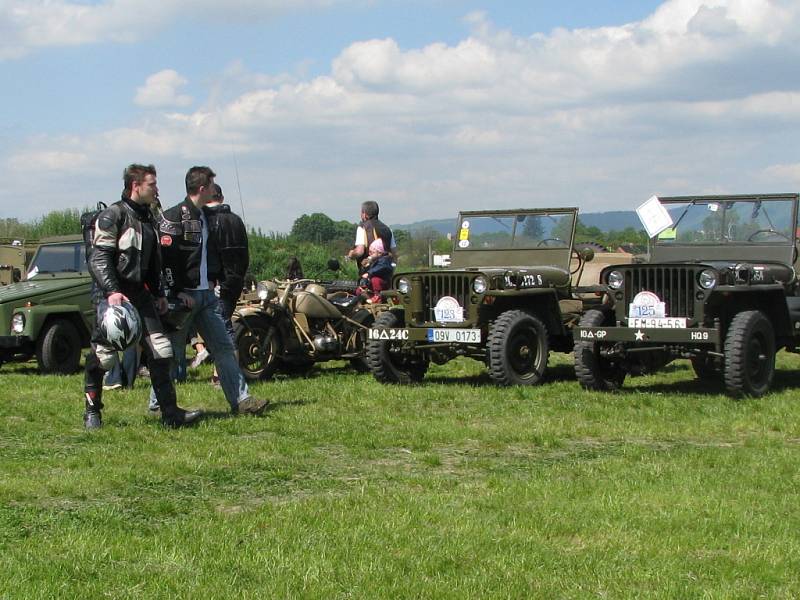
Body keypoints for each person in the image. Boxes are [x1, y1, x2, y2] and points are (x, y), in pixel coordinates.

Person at [82, 164, 202, 429]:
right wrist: (112, 291)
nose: (157, 189)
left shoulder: (149, 217)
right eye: (152, 184)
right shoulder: (112, 215)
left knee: (161, 351)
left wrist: (158, 294)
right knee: (104, 357)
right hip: (110, 295)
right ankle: (92, 411)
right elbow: (99, 258)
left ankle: (170, 414)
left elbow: (150, 262)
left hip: (140, 294)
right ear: (136, 186)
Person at [156, 166, 267, 415]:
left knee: (224, 347)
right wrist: (175, 291)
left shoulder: (208, 217)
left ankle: (242, 401)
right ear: (203, 188)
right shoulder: (174, 217)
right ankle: (157, 405)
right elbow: (165, 260)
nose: (214, 191)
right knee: (170, 352)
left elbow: (210, 255)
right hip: (184, 297)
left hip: (207, 296)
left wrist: (215, 280)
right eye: (211, 186)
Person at [204, 183, 250, 387]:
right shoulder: (237, 220)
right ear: (222, 198)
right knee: (224, 323)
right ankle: (220, 372)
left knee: (223, 328)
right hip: (236, 280)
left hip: (217, 282)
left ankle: (228, 375)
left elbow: (210, 256)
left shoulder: (208, 221)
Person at [347, 200, 397, 271]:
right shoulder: (388, 229)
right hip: (386, 272)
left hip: (369, 273)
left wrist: (351, 254)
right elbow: (394, 254)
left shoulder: (362, 227)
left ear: (364, 214)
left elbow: (359, 251)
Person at [359, 238, 393, 303]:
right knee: (362, 284)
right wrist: (364, 267)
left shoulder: (385, 260)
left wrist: (369, 273)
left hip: (384, 282)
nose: (369, 254)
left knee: (375, 280)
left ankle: (378, 296)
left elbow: (380, 267)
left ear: (379, 253)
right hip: (373, 283)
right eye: (369, 252)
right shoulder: (374, 260)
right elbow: (365, 273)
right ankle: (365, 295)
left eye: (372, 252)